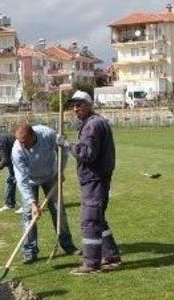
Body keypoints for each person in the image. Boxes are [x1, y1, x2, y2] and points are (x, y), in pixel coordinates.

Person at [65, 90, 123, 275]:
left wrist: (68, 146)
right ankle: (112, 256)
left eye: (80, 104)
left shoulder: (92, 125)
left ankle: (91, 264)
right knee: (98, 219)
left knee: (90, 220)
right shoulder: (95, 122)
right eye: (74, 105)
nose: (76, 109)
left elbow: (87, 155)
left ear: (89, 104)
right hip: (98, 177)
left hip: (94, 178)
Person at [11, 123, 77, 263]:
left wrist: (60, 170)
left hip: (50, 176)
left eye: (24, 141)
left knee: (59, 210)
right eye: (19, 141)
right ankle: (30, 251)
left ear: (32, 135)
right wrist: (33, 203)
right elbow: (21, 179)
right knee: (29, 215)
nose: (22, 144)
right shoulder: (17, 150)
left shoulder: (47, 134)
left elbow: (64, 150)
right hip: (29, 181)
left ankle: (68, 245)